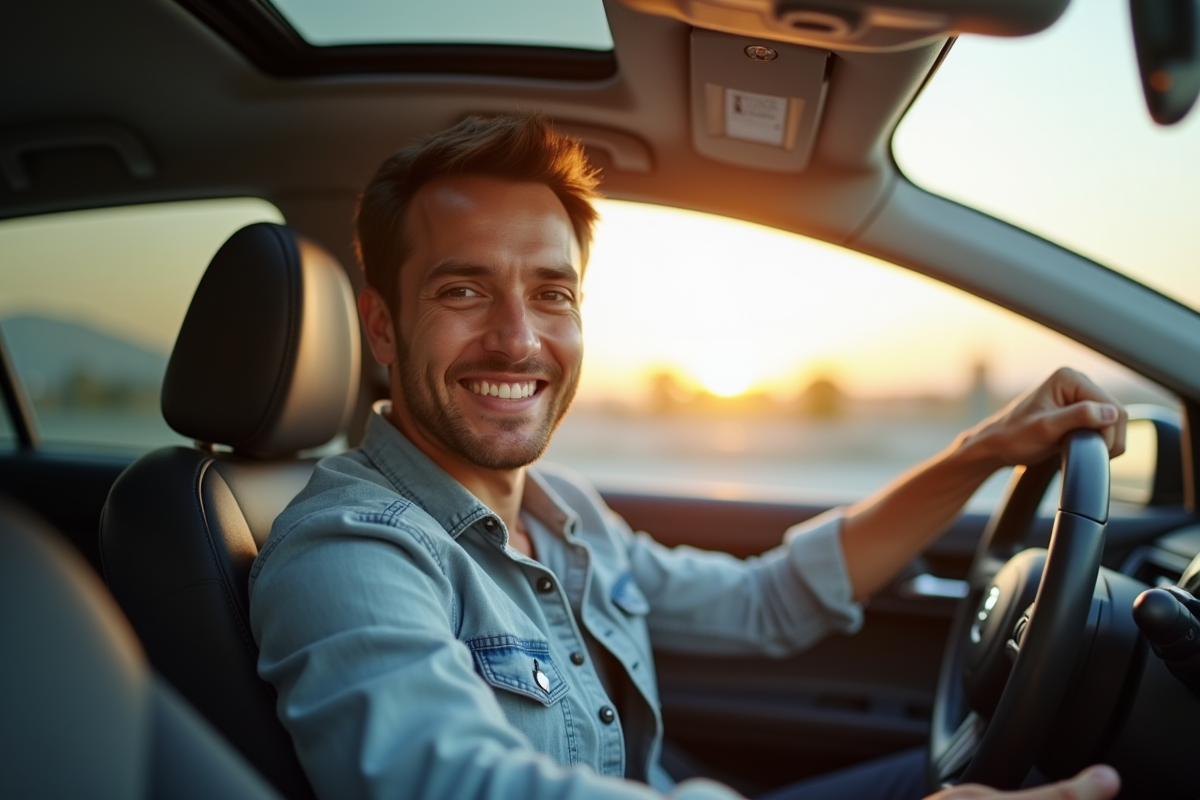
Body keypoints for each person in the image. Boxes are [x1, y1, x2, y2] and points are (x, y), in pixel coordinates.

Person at [248, 114, 1127, 800]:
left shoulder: (569, 516)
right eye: (463, 289)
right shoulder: (349, 548)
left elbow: (766, 601)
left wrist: (982, 451)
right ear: (380, 327)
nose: (518, 340)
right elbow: (442, 783)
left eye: (552, 293)